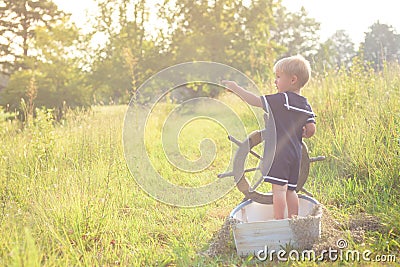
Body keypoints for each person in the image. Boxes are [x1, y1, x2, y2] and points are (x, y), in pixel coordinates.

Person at [222, 55, 316, 219]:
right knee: (291, 190)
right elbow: (310, 129)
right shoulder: (305, 104)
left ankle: (279, 221)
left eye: (278, 77)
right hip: (296, 155)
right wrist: (304, 132)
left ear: (293, 79)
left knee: (278, 190)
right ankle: (295, 221)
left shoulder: (282, 99)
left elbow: (255, 101)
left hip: (279, 153)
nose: (275, 81)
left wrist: (236, 88)